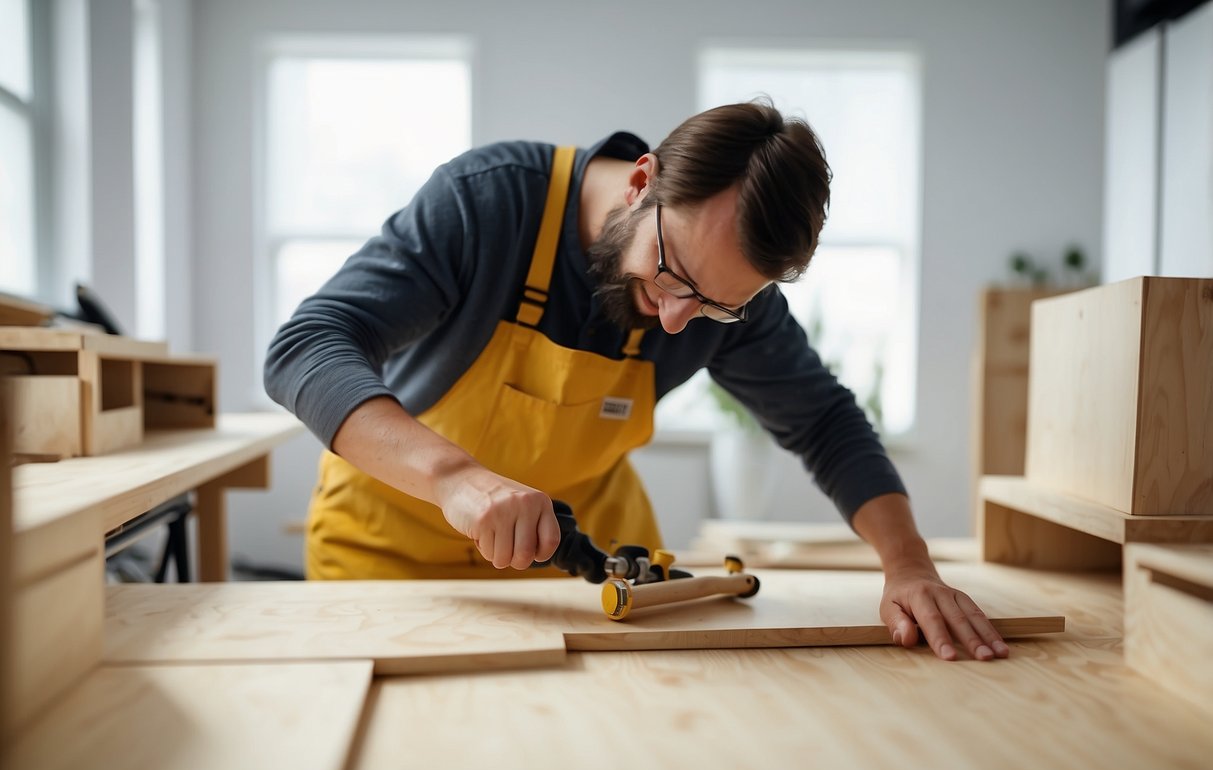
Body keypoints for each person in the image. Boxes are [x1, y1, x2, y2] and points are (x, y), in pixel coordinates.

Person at [265, 101, 1009, 662]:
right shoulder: (489, 203)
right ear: (642, 182)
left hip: (578, 566)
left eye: (717, 304)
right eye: (672, 275)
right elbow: (305, 345)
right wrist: (456, 478)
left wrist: (907, 566)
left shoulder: (725, 299)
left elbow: (822, 422)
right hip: (387, 553)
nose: (680, 318)